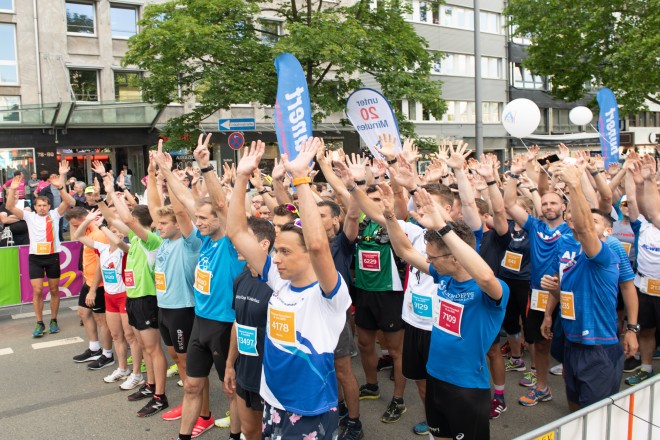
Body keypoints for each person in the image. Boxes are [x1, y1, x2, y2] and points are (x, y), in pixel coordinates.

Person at [227, 139, 351, 439]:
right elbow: (236, 232)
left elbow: (320, 244)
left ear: (307, 253)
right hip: (272, 399)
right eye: (276, 251)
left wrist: (301, 179)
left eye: (284, 252)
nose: (276, 259)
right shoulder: (278, 280)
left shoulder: (329, 294)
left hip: (309, 407)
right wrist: (241, 178)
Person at [379, 185, 508, 439]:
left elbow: (483, 275)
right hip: (435, 377)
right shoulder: (443, 277)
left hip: (466, 388)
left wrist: (444, 227)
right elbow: (404, 250)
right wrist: (390, 217)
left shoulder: (489, 289)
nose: (430, 262)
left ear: (456, 258)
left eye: (434, 258)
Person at [160, 135, 246, 440]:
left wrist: (205, 165)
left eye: (204, 219)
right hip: (201, 322)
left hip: (226, 325)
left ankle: (237, 435)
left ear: (219, 220)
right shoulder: (203, 243)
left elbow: (220, 204)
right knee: (193, 385)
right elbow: (185, 200)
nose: (199, 223)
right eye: (198, 220)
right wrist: (166, 172)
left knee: (232, 389)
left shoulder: (228, 241)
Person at [539, 162, 624, 410]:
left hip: (598, 346)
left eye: (593, 220)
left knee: (595, 417)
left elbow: (587, 229)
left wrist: (575, 185)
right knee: (574, 408)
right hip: (572, 341)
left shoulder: (604, 254)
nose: (580, 220)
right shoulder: (569, 250)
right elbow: (568, 296)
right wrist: (553, 293)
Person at [504, 155, 571, 406]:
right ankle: (542, 387)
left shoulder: (572, 230)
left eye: (554, 203)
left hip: (567, 295)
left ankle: (578, 394)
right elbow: (509, 203)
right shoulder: (535, 226)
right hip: (538, 294)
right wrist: (513, 174)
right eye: (545, 203)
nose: (548, 207)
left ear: (564, 207)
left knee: (569, 347)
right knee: (540, 344)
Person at [100, 173, 168, 417]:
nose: (125, 223)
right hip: (134, 297)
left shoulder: (151, 239)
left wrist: (112, 190)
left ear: (141, 224)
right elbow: (114, 220)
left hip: (148, 299)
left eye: (132, 222)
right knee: (141, 344)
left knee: (153, 349)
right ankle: (150, 385)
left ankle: (160, 396)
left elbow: (126, 219)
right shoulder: (136, 241)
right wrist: (106, 194)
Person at [5, 161, 75, 337]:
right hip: (35, 258)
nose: (42, 208)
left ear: (49, 206)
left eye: (45, 205)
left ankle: (53, 320)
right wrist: (12, 190)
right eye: (39, 206)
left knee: (53, 290)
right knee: (37, 291)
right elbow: (9, 207)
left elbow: (69, 202)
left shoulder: (55, 215)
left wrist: (61, 187)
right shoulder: (29, 216)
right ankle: (39, 322)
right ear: (35, 207)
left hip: (52, 257)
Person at [224, 216, 276, 440]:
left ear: (264, 244)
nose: (236, 243)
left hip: (270, 373)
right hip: (245, 368)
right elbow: (238, 322)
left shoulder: (278, 283)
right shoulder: (241, 278)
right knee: (250, 431)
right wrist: (229, 364)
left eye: (243, 238)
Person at [65, 207, 114, 370]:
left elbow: (101, 263)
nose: (74, 227)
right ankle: (94, 348)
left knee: (102, 320)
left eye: (75, 223)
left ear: (83, 220)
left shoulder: (99, 234)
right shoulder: (86, 231)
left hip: (98, 284)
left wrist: (93, 290)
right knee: (83, 312)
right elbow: (74, 236)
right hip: (88, 281)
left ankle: (107, 354)